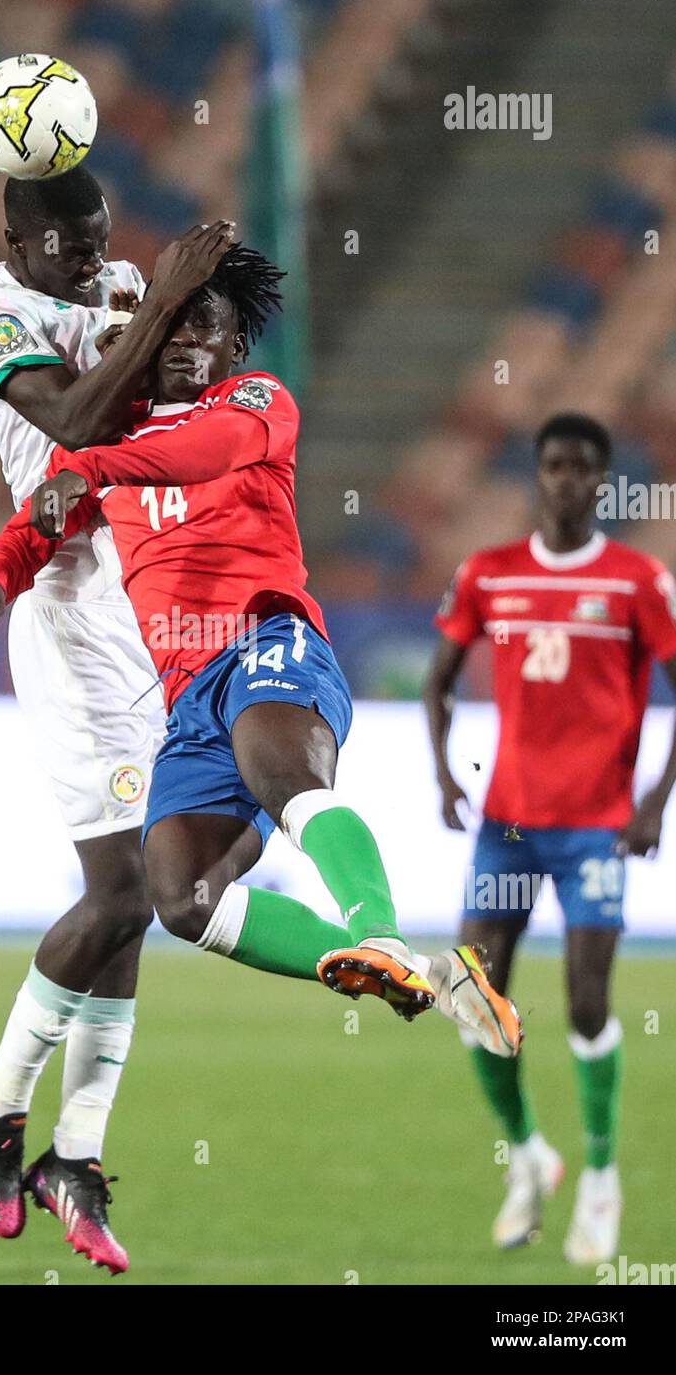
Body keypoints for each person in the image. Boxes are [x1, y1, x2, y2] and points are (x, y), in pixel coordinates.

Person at [0, 245, 523, 1122]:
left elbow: (196, 454)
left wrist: (89, 468)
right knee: (178, 896)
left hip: (268, 640)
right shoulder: (116, 440)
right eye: (166, 327)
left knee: (279, 772)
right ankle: (421, 977)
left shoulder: (252, 405)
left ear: (233, 349)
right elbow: (40, 525)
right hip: (186, 699)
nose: (179, 343)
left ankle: (379, 929)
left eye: (201, 328)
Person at [0, 162, 237, 1272]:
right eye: (67, 247)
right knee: (126, 889)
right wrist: (158, 301)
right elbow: (73, 421)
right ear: (16, 241)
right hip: (69, 613)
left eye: (102, 242)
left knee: (131, 901)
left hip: (155, 602)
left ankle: (75, 1153)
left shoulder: (119, 284)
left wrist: (187, 308)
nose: (89, 263)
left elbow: (168, 405)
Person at [424, 412, 676, 1262]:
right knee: (470, 997)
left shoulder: (639, 580)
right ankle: (529, 1154)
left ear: (603, 480)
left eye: (582, 467)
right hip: (508, 822)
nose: (566, 478)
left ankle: (601, 1177)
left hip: (596, 829)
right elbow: (438, 680)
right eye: (554, 464)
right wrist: (441, 773)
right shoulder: (489, 574)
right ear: (537, 474)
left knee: (586, 1002)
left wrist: (653, 803)